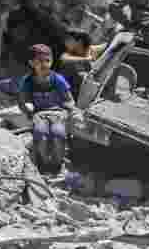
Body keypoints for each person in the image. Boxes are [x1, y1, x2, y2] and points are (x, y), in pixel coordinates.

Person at [17, 44, 77, 172]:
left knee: (58, 133)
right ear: (31, 63)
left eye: (47, 61)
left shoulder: (57, 79)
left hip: (58, 113)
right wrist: (27, 108)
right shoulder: (27, 81)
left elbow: (69, 100)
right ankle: (42, 163)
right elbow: (23, 101)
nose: (44, 64)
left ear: (52, 61)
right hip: (39, 114)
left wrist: (68, 111)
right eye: (39, 61)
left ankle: (57, 164)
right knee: (40, 132)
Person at [58, 28, 106, 97]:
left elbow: (104, 46)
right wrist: (86, 59)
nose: (65, 42)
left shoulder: (88, 51)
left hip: (76, 94)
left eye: (68, 40)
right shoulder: (72, 54)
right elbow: (63, 58)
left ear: (79, 42)